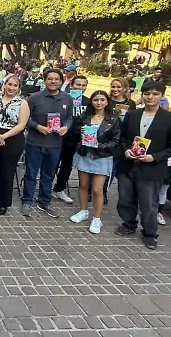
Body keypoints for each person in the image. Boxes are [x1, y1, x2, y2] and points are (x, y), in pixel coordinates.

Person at [116, 80, 171, 250]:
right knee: (125, 198)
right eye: (147, 94)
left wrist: (155, 157)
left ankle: (150, 233)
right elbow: (122, 137)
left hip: (151, 167)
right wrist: (125, 150)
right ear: (142, 95)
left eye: (155, 94)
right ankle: (129, 223)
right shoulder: (132, 115)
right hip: (128, 165)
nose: (150, 97)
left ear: (162, 96)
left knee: (148, 203)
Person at [68, 90, 121, 234]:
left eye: (102, 100)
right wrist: (81, 132)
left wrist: (100, 146)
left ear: (107, 101)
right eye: (96, 100)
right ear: (91, 101)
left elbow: (116, 141)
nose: (99, 103)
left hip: (102, 157)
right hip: (85, 154)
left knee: (97, 189)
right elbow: (76, 134)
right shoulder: (85, 116)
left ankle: (97, 218)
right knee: (83, 185)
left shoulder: (114, 119)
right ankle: (83, 211)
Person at [22, 69, 73, 218]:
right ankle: (27, 201)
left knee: (48, 174)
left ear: (61, 81)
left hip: (55, 143)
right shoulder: (34, 98)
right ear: (44, 81)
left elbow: (70, 118)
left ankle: (45, 201)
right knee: (31, 173)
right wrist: (37, 127)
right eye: (50, 79)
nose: (53, 82)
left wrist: (66, 127)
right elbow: (25, 119)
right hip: (35, 142)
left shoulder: (67, 99)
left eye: (56, 79)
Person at [0, 76, 29, 215]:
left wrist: (3, 136)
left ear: (18, 88)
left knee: (7, 171)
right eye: (9, 84)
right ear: (4, 85)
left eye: (15, 85)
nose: (11, 88)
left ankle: (3, 203)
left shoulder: (22, 103)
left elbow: (21, 124)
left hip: (13, 138)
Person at [53, 75, 90, 204]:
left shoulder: (88, 102)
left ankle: (59, 189)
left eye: (83, 85)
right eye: (77, 85)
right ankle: (45, 190)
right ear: (71, 85)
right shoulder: (62, 98)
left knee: (67, 165)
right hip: (58, 137)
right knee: (53, 164)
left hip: (75, 139)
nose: (80, 88)